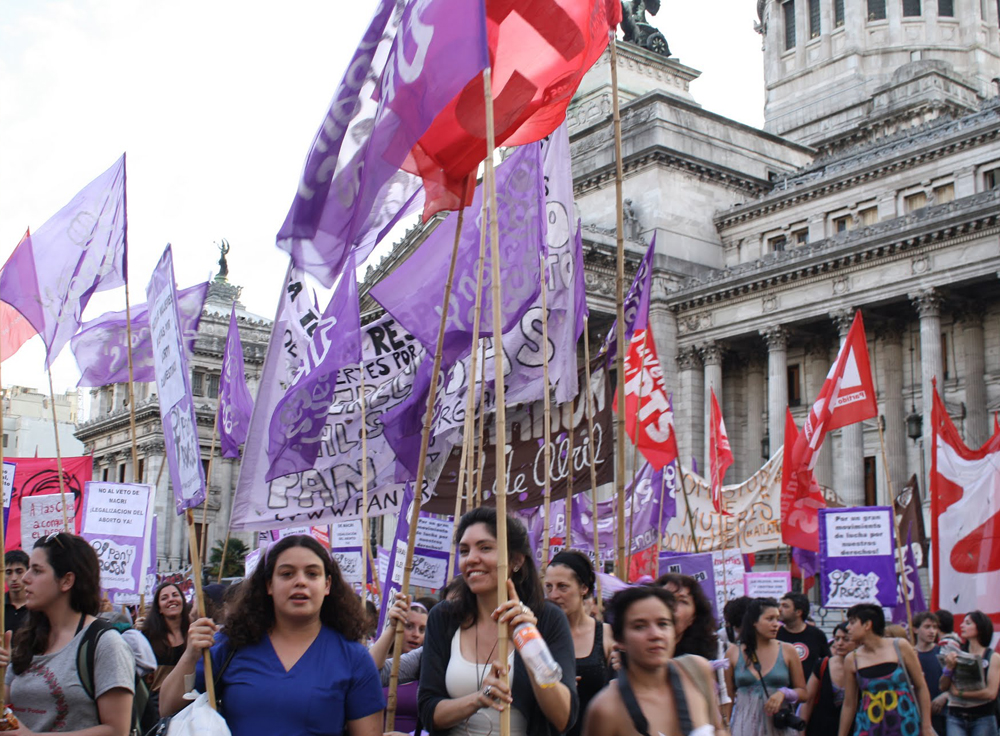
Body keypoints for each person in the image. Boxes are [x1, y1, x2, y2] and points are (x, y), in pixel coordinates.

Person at [158, 534, 385, 736]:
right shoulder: (230, 645)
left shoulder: (354, 659)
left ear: (327, 585)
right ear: (269, 585)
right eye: (287, 574)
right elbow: (167, 706)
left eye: (312, 574)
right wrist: (190, 654)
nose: (300, 582)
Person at [418, 506, 577, 736]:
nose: (472, 559)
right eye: (464, 551)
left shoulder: (548, 619)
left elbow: (563, 718)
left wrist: (529, 642)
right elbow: (428, 711)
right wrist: (478, 699)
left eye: (485, 548)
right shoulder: (443, 618)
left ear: (516, 560)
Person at [0, 532, 135, 734]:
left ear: (66, 581)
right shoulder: (27, 639)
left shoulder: (104, 643)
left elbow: (117, 730)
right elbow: (6, 703)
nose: (25, 579)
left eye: (36, 571)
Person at [582, 586, 726, 736]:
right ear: (620, 639)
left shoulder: (696, 670)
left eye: (663, 624)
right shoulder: (606, 709)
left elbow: (719, 728)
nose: (655, 635)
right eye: (640, 626)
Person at [545, 550, 614, 736]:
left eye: (562, 587)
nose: (553, 595)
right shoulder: (538, 637)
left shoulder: (607, 635)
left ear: (583, 588)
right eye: (549, 587)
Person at [838, 603, 934, 736]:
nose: (848, 628)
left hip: (905, 723)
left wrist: (927, 725)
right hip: (870, 725)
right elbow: (849, 704)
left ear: (867, 625)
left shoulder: (900, 646)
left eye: (853, 622)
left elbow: (921, 686)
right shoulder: (852, 659)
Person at [725, 597, 807, 736]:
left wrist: (784, 693)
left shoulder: (788, 650)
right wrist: (725, 727)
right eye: (770, 619)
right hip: (744, 726)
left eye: (777, 619)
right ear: (754, 622)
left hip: (779, 727)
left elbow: (803, 693)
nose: (776, 624)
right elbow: (728, 697)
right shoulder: (733, 652)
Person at [657, 572, 732, 721]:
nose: (672, 607)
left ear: (694, 616)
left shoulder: (712, 646)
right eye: (667, 599)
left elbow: (723, 699)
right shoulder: (637, 648)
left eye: (682, 601)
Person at [368, 593, 429, 734]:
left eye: (422, 629)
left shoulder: (427, 665)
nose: (416, 634)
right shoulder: (381, 663)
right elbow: (367, 672)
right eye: (409, 626)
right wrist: (392, 628)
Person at [939, 610, 1000, 736]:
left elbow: (991, 693)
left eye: (968, 623)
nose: (962, 626)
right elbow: (942, 686)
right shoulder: (955, 653)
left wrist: (960, 693)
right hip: (956, 715)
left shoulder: (992, 657)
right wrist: (949, 668)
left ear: (980, 628)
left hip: (982, 716)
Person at [800, 622, 856, 736]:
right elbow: (808, 700)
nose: (839, 643)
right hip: (819, 728)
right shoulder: (823, 664)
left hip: (854, 729)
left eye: (846, 639)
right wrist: (801, 731)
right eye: (837, 639)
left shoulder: (863, 668)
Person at [777, 592, 830, 687]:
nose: (780, 610)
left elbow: (826, 663)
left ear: (798, 612)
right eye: (780, 606)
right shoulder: (775, 634)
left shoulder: (816, 635)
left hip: (809, 694)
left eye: (785, 606)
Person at [912, 612, 948, 736]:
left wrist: (945, 696)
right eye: (927, 627)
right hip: (915, 713)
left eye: (935, 627)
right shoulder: (909, 655)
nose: (932, 631)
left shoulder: (942, 653)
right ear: (915, 629)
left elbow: (954, 680)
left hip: (940, 714)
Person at [4, 550, 29, 634]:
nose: (14, 578)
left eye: (19, 572)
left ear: (28, 572)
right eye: (8, 572)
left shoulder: (39, 606)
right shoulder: (1, 606)